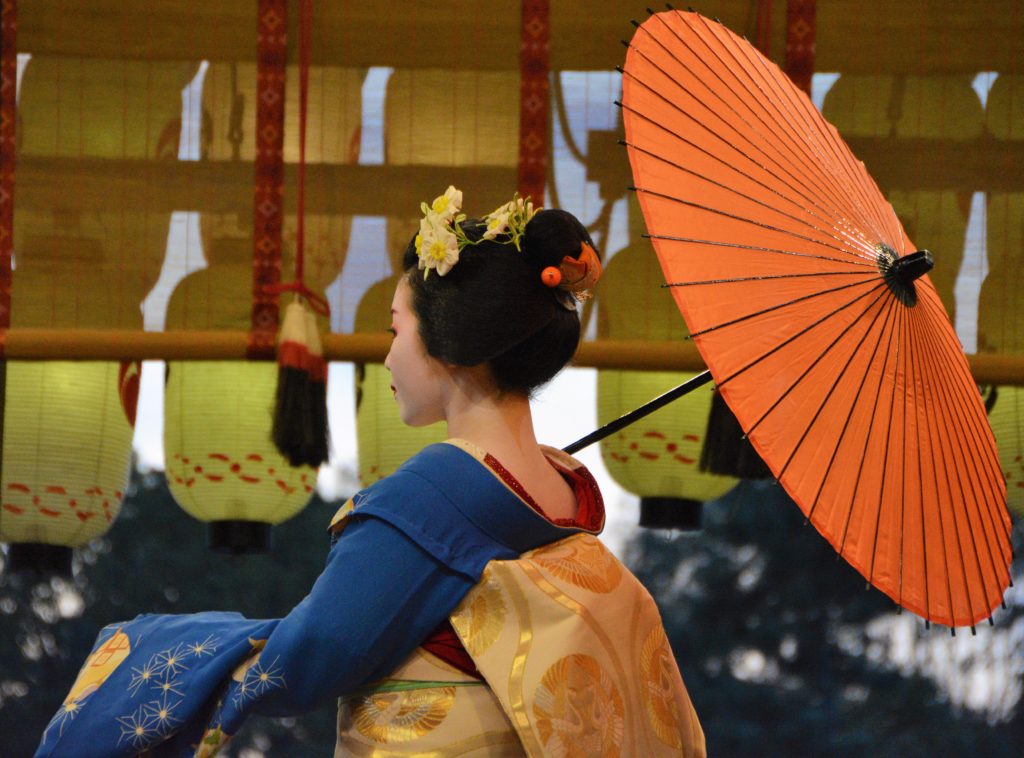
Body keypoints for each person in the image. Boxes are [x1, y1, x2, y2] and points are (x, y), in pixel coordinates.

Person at [35, 188, 705, 757]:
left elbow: (309, 656)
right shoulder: (565, 494)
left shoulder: (427, 502)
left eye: (394, 329)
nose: (386, 357)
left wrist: (152, 645)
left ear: (448, 343)